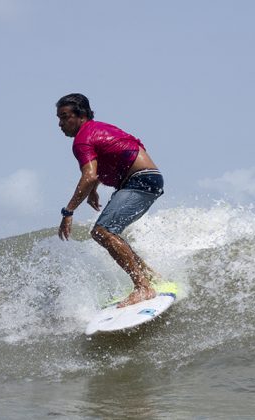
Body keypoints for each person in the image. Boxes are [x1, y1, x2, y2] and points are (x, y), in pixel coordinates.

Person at [56, 93, 165, 307]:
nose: (60, 124)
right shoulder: (99, 128)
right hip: (148, 179)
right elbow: (117, 152)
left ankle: (143, 287)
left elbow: (89, 175)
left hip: (139, 181)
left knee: (102, 231)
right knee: (108, 231)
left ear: (82, 115)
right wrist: (94, 189)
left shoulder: (82, 139)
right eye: (59, 118)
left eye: (65, 117)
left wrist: (68, 212)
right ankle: (150, 277)